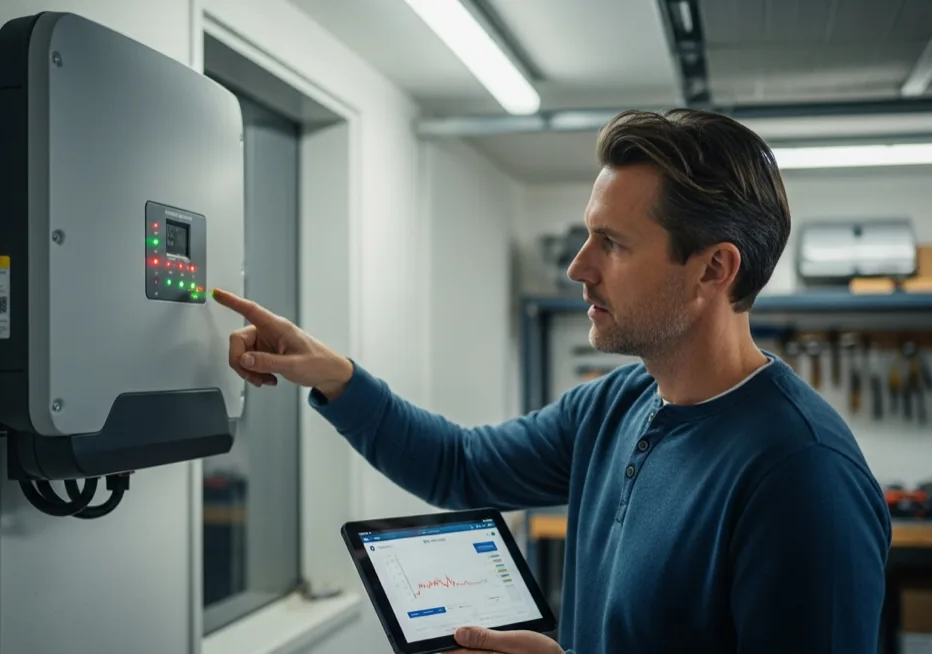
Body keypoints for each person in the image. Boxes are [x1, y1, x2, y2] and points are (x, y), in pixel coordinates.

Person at [212, 108, 892, 654]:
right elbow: (461, 465)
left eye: (613, 244)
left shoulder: (803, 475)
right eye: (588, 236)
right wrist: (335, 376)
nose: (578, 268)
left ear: (714, 270)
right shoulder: (617, 404)